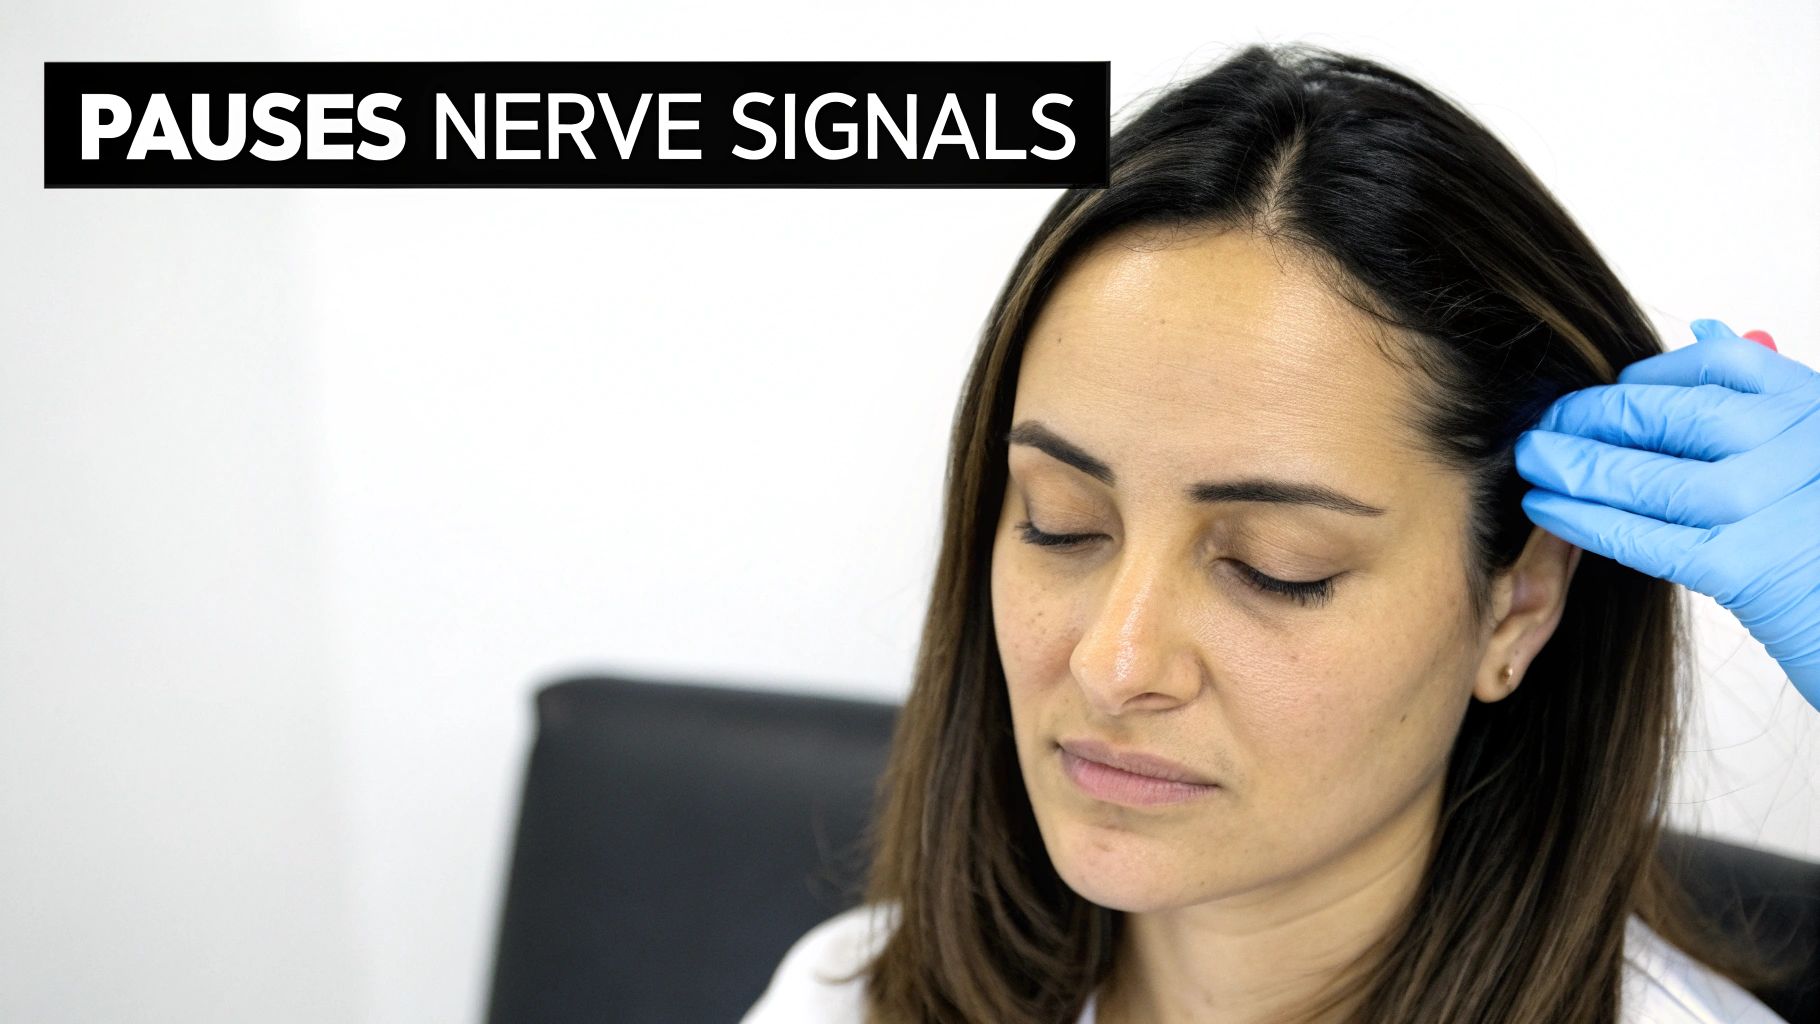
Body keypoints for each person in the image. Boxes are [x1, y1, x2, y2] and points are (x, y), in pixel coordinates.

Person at [742, 42, 1814, 1023]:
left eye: (1272, 568)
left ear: (1518, 599)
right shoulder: (848, 995)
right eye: (1060, 524)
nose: (1114, 664)